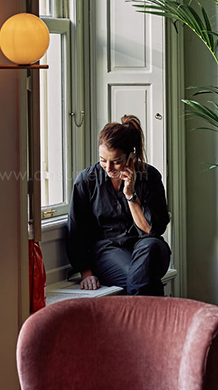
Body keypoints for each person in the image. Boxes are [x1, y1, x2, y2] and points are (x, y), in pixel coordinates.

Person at [66, 115, 171, 296]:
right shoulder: (87, 180)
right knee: (140, 278)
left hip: (147, 247)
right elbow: (76, 230)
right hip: (108, 250)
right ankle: (158, 313)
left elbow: (151, 230)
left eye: (116, 162)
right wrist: (86, 273)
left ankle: (149, 313)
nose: (108, 168)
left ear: (131, 157)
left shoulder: (150, 176)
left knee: (150, 250)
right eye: (102, 160)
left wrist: (130, 195)